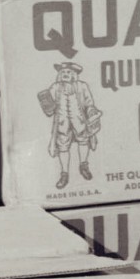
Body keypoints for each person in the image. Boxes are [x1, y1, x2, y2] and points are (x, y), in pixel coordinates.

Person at [38, 62, 102, 190]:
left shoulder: (82, 86)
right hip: (62, 124)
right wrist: (47, 105)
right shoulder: (55, 87)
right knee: (63, 147)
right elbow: (49, 109)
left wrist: (92, 113)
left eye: (68, 72)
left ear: (73, 74)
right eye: (63, 73)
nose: (65, 75)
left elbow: (89, 103)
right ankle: (64, 174)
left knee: (84, 142)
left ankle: (84, 166)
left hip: (80, 122)